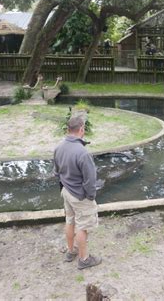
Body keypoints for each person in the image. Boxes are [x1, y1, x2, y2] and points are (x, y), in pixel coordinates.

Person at [53, 116, 102, 270]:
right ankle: (84, 259)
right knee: (82, 227)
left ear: (68, 129)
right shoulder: (83, 153)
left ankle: (71, 251)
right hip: (79, 196)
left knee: (70, 221)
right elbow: (90, 180)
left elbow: (56, 172)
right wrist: (90, 197)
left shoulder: (58, 147)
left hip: (66, 191)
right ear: (81, 129)